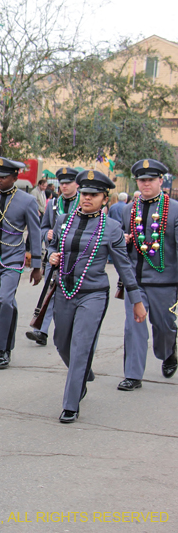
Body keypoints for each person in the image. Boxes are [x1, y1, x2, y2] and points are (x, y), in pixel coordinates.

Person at [47, 170, 145, 422]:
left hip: (93, 295)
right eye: (84, 193)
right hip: (64, 291)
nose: (87, 198)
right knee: (60, 341)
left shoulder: (111, 228)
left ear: (104, 198)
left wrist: (137, 301)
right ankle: (81, 373)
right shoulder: (64, 221)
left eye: (93, 195)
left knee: (81, 347)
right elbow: (54, 245)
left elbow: (124, 266)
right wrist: (52, 256)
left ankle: (71, 403)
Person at [119, 159, 178, 390]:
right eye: (141, 180)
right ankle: (133, 375)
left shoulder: (174, 209)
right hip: (135, 281)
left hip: (165, 280)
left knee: (164, 327)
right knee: (134, 326)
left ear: (160, 181)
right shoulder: (127, 210)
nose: (145, 184)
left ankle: (168, 351)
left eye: (150, 180)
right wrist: (121, 241)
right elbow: (118, 244)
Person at [0, 157, 42, 368]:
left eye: (3, 177)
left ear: (15, 177)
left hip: (13, 258)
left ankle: (3, 350)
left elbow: (35, 233)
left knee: (5, 301)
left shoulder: (27, 201)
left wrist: (37, 265)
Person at [26, 167, 79, 346]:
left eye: (67, 183)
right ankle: (41, 330)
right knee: (50, 293)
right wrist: (46, 233)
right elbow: (43, 227)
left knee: (69, 297)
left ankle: (70, 332)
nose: (63, 186)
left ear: (76, 184)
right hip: (54, 256)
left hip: (76, 257)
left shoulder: (84, 203)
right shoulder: (54, 204)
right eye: (61, 183)